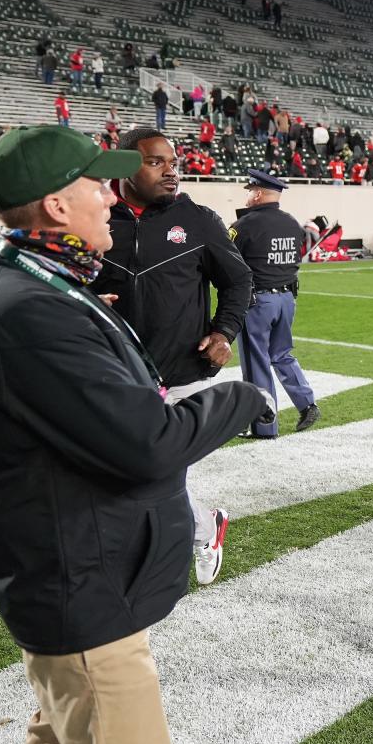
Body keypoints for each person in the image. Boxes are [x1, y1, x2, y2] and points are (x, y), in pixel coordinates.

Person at [0, 126, 271, 744]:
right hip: (82, 591)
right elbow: (148, 445)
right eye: (94, 182)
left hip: (76, 580)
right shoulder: (31, 309)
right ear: (57, 206)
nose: (107, 196)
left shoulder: (41, 286)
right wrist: (242, 396)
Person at [89, 127, 253, 584]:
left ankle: (164, 549)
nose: (171, 170)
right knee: (128, 471)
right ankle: (206, 526)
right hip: (115, 371)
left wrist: (225, 331)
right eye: (156, 161)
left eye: (173, 161)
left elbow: (238, 282)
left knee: (154, 468)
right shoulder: (98, 216)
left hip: (183, 370)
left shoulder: (198, 219)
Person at [231, 169, 321, 439]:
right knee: (282, 354)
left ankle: (264, 424)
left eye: (250, 191)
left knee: (255, 360)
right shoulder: (292, 223)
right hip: (286, 299)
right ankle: (307, 404)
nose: (248, 196)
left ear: (258, 193)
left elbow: (227, 260)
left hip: (258, 302)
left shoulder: (244, 226)